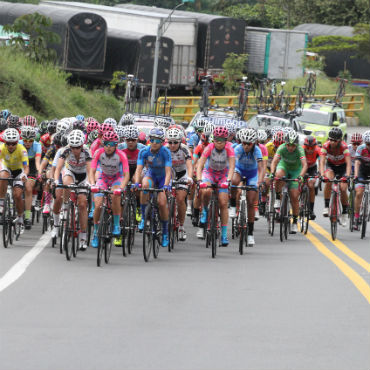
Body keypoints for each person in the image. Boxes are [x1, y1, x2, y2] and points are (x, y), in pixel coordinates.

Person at [90, 131, 130, 248]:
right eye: (106, 143)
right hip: (103, 178)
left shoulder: (121, 155)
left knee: (115, 196)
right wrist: (93, 184)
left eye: (111, 144)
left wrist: (121, 188)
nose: (108, 147)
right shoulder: (98, 153)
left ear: (116, 145)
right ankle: (96, 233)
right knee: (97, 206)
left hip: (117, 179)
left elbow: (126, 175)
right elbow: (92, 171)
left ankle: (116, 224)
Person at [196, 126, 235, 246]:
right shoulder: (209, 147)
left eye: (222, 140)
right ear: (213, 139)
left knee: (223, 203)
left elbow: (232, 167)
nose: (219, 142)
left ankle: (223, 235)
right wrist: (199, 180)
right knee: (206, 191)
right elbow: (200, 165)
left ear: (226, 140)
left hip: (223, 174)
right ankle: (205, 211)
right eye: (217, 139)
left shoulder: (229, 148)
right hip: (210, 173)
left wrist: (228, 181)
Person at [134, 127, 172, 248]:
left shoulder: (165, 152)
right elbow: (139, 169)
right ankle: (144, 218)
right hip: (151, 174)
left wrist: (166, 185)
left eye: (157, 141)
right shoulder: (144, 151)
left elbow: (168, 172)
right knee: (144, 185)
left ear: (162, 142)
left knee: (161, 203)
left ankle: (165, 232)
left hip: (163, 178)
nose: (154, 143)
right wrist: (136, 182)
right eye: (152, 140)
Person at [54, 130, 92, 250]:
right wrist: (55, 180)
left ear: (82, 145)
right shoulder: (65, 150)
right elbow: (58, 168)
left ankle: (83, 236)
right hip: (71, 172)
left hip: (83, 176)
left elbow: (90, 170)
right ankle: (65, 206)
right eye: (73, 147)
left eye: (78, 147)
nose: (75, 150)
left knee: (82, 204)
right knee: (66, 183)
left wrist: (91, 183)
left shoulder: (86, 151)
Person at [230, 128, 264, 246]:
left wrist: (259, 182)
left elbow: (261, 168)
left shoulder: (257, 150)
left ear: (253, 143)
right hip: (239, 170)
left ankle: (250, 234)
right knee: (233, 181)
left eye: (248, 144)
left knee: (250, 201)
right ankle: (233, 205)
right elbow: (232, 163)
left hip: (252, 174)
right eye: (243, 143)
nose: (245, 146)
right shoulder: (238, 148)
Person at [270, 130, 307, 234]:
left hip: (296, 170)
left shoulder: (300, 150)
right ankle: (278, 197)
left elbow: (305, 165)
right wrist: (272, 172)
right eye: (288, 145)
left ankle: (295, 222)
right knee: (278, 176)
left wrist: (301, 176)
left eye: (293, 145)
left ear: (296, 145)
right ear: (285, 143)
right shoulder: (281, 148)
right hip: (284, 166)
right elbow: (274, 162)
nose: (290, 147)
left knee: (294, 196)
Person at [165, 127, 193, 241]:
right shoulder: (164, 149)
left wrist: (190, 178)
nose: (172, 145)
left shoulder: (185, 149)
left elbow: (190, 166)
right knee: (163, 198)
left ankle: (181, 226)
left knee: (181, 199)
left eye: (175, 142)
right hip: (169, 174)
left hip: (182, 174)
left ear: (179, 141)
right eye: (170, 142)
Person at [320, 127, 351, 226]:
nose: (332, 142)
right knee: (328, 180)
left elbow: (349, 163)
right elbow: (322, 162)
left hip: (343, 167)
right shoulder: (326, 146)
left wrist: (347, 176)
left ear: (340, 140)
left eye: (335, 140)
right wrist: (321, 174)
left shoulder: (344, 147)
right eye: (330, 139)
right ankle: (326, 206)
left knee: (343, 188)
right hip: (331, 166)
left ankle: (345, 213)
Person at [0, 128, 29, 226]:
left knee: (17, 195)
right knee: (3, 176)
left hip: (18, 172)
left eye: (13, 143)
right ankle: (2, 203)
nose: (11, 146)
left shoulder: (22, 149)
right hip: (7, 169)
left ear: (17, 142)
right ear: (5, 142)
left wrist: (24, 175)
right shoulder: (2, 148)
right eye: (8, 143)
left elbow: (26, 167)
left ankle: (20, 216)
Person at [20, 126, 42, 229]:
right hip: (20, 166)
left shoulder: (37, 146)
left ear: (34, 139)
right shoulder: (18, 144)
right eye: (25, 140)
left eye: (30, 140)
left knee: (28, 188)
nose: (28, 142)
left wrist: (39, 172)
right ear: (22, 139)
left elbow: (38, 161)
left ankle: (27, 217)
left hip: (32, 167)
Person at [353, 131, 370, 230]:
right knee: (359, 193)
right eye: (368, 144)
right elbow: (357, 163)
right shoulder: (360, 148)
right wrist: (355, 176)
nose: (369, 146)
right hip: (362, 172)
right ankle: (356, 217)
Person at [302, 135, 321, 220]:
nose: (309, 150)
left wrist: (320, 172)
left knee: (311, 185)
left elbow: (321, 162)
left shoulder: (318, 150)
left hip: (312, 168)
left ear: (315, 146)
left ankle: (311, 210)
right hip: (302, 167)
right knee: (299, 183)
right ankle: (300, 204)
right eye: (308, 148)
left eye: (312, 148)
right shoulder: (301, 149)